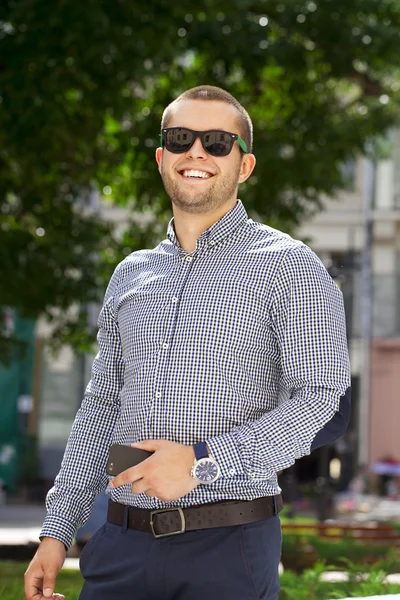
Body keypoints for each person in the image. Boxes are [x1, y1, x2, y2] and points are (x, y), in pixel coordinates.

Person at [24, 85, 351, 600]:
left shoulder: (290, 267)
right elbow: (101, 408)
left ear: (243, 166)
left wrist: (202, 462)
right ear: (162, 158)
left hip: (229, 547)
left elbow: (319, 399)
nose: (197, 152)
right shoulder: (130, 274)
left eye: (218, 142)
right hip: (119, 545)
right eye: (181, 138)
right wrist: (57, 530)